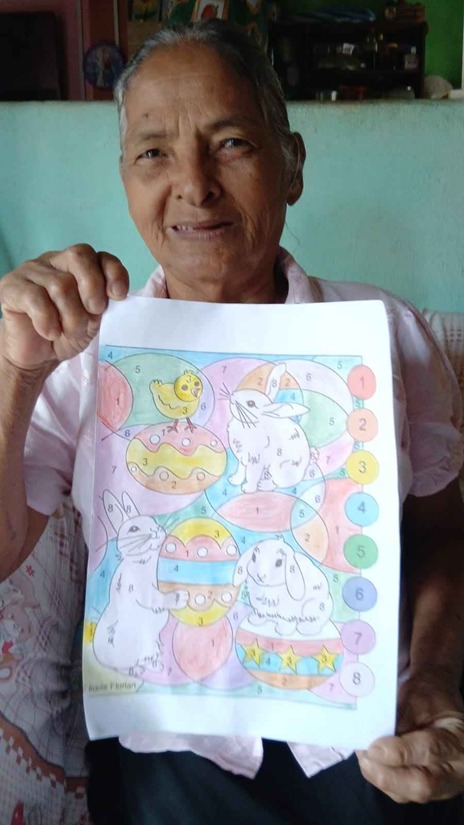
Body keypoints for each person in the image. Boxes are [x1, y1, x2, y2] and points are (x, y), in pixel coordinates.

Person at [0, 19, 463, 825]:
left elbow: (442, 536)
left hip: (369, 737)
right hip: (168, 746)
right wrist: (16, 373)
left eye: (232, 143)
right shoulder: (83, 351)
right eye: (153, 153)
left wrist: (433, 679)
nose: (195, 184)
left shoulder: (386, 335)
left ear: (293, 165)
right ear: (124, 178)